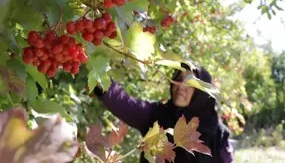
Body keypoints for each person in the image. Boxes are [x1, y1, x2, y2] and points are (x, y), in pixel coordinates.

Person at [94, 62, 235, 163]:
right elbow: (123, 103)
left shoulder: (217, 133)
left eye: (190, 84)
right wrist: (97, 72)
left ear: (201, 93)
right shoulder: (156, 115)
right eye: (178, 80)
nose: (181, 87)